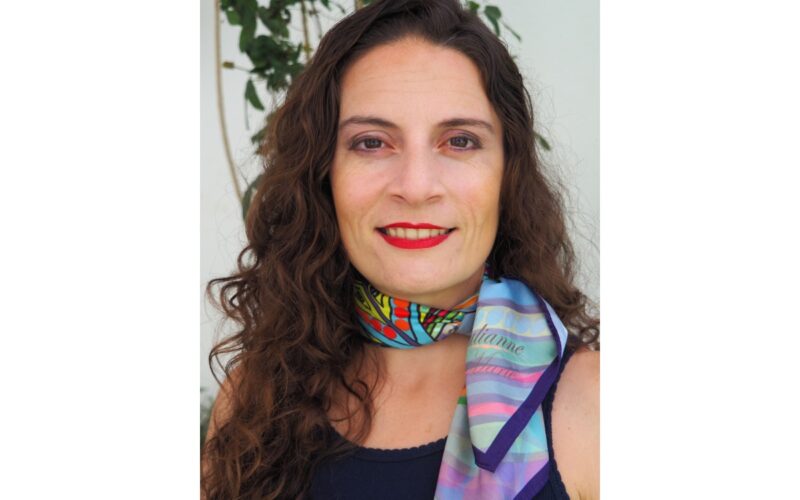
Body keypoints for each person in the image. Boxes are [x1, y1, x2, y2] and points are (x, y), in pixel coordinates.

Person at [201, 0, 599, 498]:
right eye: (372, 142)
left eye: (459, 141)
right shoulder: (251, 401)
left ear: (507, 174)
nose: (415, 186)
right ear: (324, 175)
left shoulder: (595, 407)